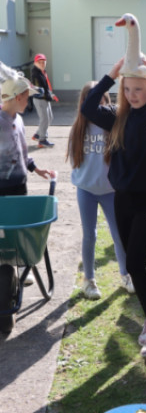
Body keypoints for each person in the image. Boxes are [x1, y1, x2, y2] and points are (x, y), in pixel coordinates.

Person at [81, 49, 146, 358]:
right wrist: (112, 74)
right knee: (134, 266)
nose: (132, 94)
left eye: (139, 88)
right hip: (123, 200)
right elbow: (88, 106)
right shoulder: (117, 119)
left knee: (135, 264)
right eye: (128, 89)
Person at [67, 82, 135, 300]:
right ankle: (89, 280)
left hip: (110, 192)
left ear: (107, 101)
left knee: (119, 234)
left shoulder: (112, 125)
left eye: (102, 100)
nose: (98, 105)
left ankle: (126, 275)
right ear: (83, 103)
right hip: (86, 191)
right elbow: (75, 161)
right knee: (90, 235)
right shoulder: (78, 128)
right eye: (92, 101)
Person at [0, 61, 55, 284]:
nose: (29, 101)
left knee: (19, 227)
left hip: (19, 185)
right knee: (3, 230)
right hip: (1, 187)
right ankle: (4, 266)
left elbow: (22, 151)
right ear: (17, 97)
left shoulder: (20, 120)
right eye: (27, 97)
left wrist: (35, 168)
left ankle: (22, 266)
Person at [31, 53, 57, 148]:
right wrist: (49, 96)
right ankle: (42, 140)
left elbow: (45, 87)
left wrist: (50, 94)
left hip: (45, 98)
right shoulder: (36, 74)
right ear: (35, 63)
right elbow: (40, 89)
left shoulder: (42, 72)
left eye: (43, 62)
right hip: (40, 99)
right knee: (44, 119)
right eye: (40, 62)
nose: (42, 64)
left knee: (49, 118)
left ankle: (38, 134)